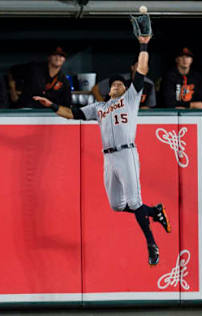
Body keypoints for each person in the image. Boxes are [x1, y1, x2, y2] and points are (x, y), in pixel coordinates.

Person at [33, 35, 171, 265]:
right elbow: (72, 114)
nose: (118, 85)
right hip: (109, 157)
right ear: (109, 89)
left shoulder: (130, 98)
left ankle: (151, 244)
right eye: (114, 84)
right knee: (117, 205)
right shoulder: (99, 107)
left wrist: (144, 43)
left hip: (127, 153)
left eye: (121, 84)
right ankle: (155, 212)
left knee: (135, 201)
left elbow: (142, 69)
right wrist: (52, 106)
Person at [91, 59, 156, 109]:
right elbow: (95, 89)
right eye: (138, 66)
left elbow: (150, 106)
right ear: (132, 67)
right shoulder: (120, 80)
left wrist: (146, 109)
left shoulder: (149, 84)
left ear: (147, 70)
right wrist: (104, 106)